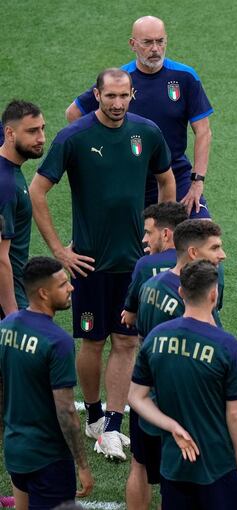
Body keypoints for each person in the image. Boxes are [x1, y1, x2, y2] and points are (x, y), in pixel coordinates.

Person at [30, 67, 176, 460]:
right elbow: (37, 190)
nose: (116, 103)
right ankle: (94, 416)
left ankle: (112, 423)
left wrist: (162, 238)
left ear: (132, 96)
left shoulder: (146, 133)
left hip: (135, 263)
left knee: (127, 340)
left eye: (123, 96)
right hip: (90, 264)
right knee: (92, 341)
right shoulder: (74, 138)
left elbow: (166, 180)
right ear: (96, 95)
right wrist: (60, 250)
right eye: (109, 96)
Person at [129, 260, 237, 510]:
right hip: (217, 465)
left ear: (182, 292)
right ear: (214, 295)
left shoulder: (156, 338)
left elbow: (136, 397)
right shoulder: (226, 345)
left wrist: (172, 425)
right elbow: (235, 414)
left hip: (174, 463)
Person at [66, 16, 214, 218]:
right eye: (147, 42)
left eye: (160, 41)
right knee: (139, 246)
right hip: (131, 179)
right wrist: (101, 152)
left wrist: (197, 182)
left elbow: (203, 131)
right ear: (132, 44)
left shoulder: (185, 77)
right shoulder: (120, 80)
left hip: (176, 174)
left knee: (204, 234)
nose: (155, 48)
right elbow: (74, 113)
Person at [124, 219, 225, 510]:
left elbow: (135, 327)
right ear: (193, 253)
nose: (222, 255)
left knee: (139, 466)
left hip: (144, 396)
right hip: (180, 407)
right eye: (215, 248)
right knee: (181, 484)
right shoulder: (194, 299)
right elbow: (218, 349)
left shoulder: (150, 283)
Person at [0, 257, 94, 508]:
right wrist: (82, 465)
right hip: (48, 457)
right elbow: (66, 411)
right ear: (43, 293)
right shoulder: (57, 341)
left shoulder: (6, 327)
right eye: (63, 284)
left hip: (15, 450)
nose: (71, 288)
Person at [0, 100, 45, 317]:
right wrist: (12, 315)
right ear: (9, 134)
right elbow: (0, 258)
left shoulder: (9, 169)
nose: (41, 138)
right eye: (32, 131)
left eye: (42, 129)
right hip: (9, 299)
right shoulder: (6, 186)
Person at [120, 201, 188, 329]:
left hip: (157, 343)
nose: (144, 239)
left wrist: (153, 260)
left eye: (149, 232)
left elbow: (129, 317)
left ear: (165, 234)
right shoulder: (207, 264)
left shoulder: (145, 265)